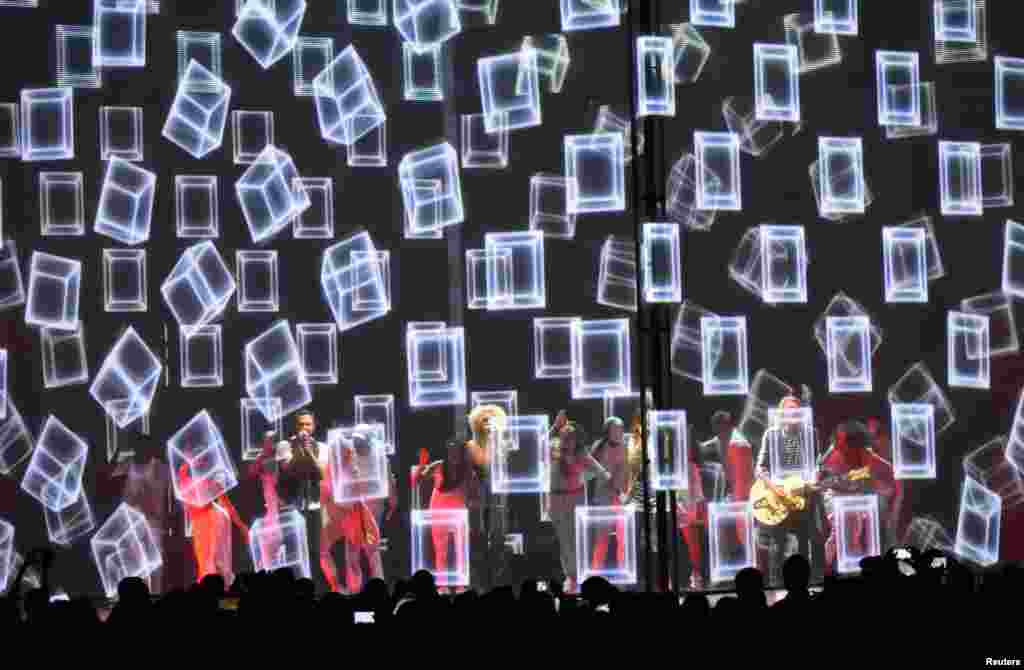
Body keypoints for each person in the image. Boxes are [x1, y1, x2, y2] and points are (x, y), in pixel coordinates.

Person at [753, 395, 823, 587]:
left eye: (796, 412)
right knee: (779, 541)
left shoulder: (811, 434)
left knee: (804, 539)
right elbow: (760, 468)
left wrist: (815, 477)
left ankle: (804, 582)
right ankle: (777, 583)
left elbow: (818, 463)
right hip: (779, 496)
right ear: (782, 415)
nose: (792, 416)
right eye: (788, 411)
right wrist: (774, 487)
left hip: (802, 494)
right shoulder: (771, 435)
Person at [818, 420, 899, 577]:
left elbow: (888, 474)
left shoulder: (866, 455)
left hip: (856, 498)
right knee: (839, 532)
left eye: (841, 442)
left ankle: (857, 568)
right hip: (834, 496)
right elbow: (822, 479)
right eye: (837, 441)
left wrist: (871, 479)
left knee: (854, 533)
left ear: (855, 444)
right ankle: (824, 569)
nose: (837, 445)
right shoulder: (832, 454)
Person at [411, 438, 480, 593]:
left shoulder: (468, 472)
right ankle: (442, 586)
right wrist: (422, 464)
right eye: (450, 451)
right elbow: (415, 481)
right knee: (440, 551)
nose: (453, 454)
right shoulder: (438, 466)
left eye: (456, 451)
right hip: (439, 514)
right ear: (447, 452)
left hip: (458, 517)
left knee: (461, 551)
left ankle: (461, 584)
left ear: (461, 453)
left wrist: (470, 505)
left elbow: (475, 498)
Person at [549, 420, 610, 593]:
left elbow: (601, 471)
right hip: (556, 499)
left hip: (575, 498)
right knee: (564, 541)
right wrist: (554, 427)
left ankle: (575, 577)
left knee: (575, 540)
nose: (567, 438)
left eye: (570, 436)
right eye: (564, 434)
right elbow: (537, 446)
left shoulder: (581, 453)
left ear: (576, 439)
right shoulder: (552, 448)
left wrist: (618, 490)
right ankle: (570, 576)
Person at [177, 446, 249, 586]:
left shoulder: (210, 483)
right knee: (206, 564)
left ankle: (222, 595)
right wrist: (190, 460)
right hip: (200, 526)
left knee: (215, 563)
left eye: (202, 459)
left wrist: (241, 526)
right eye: (198, 459)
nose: (199, 462)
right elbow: (182, 474)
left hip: (213, 524)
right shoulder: (186, 482)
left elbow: (228, 505)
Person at [109, 436, 172, 594]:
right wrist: (117, 453)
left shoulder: (160, 467)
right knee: (135, 563)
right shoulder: (130, 464)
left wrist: (169, 518)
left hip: (153, 522)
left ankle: (155, 596)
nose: (139, 451)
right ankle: (139, 596)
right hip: (132, 522)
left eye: (143, 447)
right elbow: (109, 473)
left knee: (155, 564)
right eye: (137, 447)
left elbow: (171, 491)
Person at [465, 404, 509, 590]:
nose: (488, 424)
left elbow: (502, 468)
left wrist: (496, 442)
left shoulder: (501, 444)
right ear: (476, 424)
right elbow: (482, 465)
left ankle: (497, 581)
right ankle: (480, 583)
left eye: (491, 420)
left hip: (497, 498)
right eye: (484, 420)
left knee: (498, 538)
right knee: (478, 539)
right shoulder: (471, 446)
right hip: (478, 497)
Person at [588, 417, 629, 572]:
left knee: (623, 539)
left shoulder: (626, 446)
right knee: (602, 539)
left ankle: (623, 574)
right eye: (615, 429)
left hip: (621, 499)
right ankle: (595, 574)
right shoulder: (599, 447)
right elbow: (590, 469)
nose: (619, 432)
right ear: (608, 431)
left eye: (621, 428)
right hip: (604, 498)